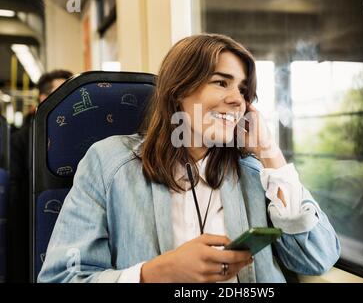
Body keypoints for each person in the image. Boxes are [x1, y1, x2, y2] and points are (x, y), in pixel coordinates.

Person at [38, 34, 340, 283]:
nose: (238, 99)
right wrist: (153, 274)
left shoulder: (254, 171)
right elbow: (62, 278)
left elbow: (317, 257)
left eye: (244, 90)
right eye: (221, 82)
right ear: (178, 89)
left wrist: (270, 154)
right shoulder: (108, 162)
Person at [7, 69, 72, 282]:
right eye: (62, 92)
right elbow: (16, 202)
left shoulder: (84, 136)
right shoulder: (21, 141)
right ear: (43, 100)